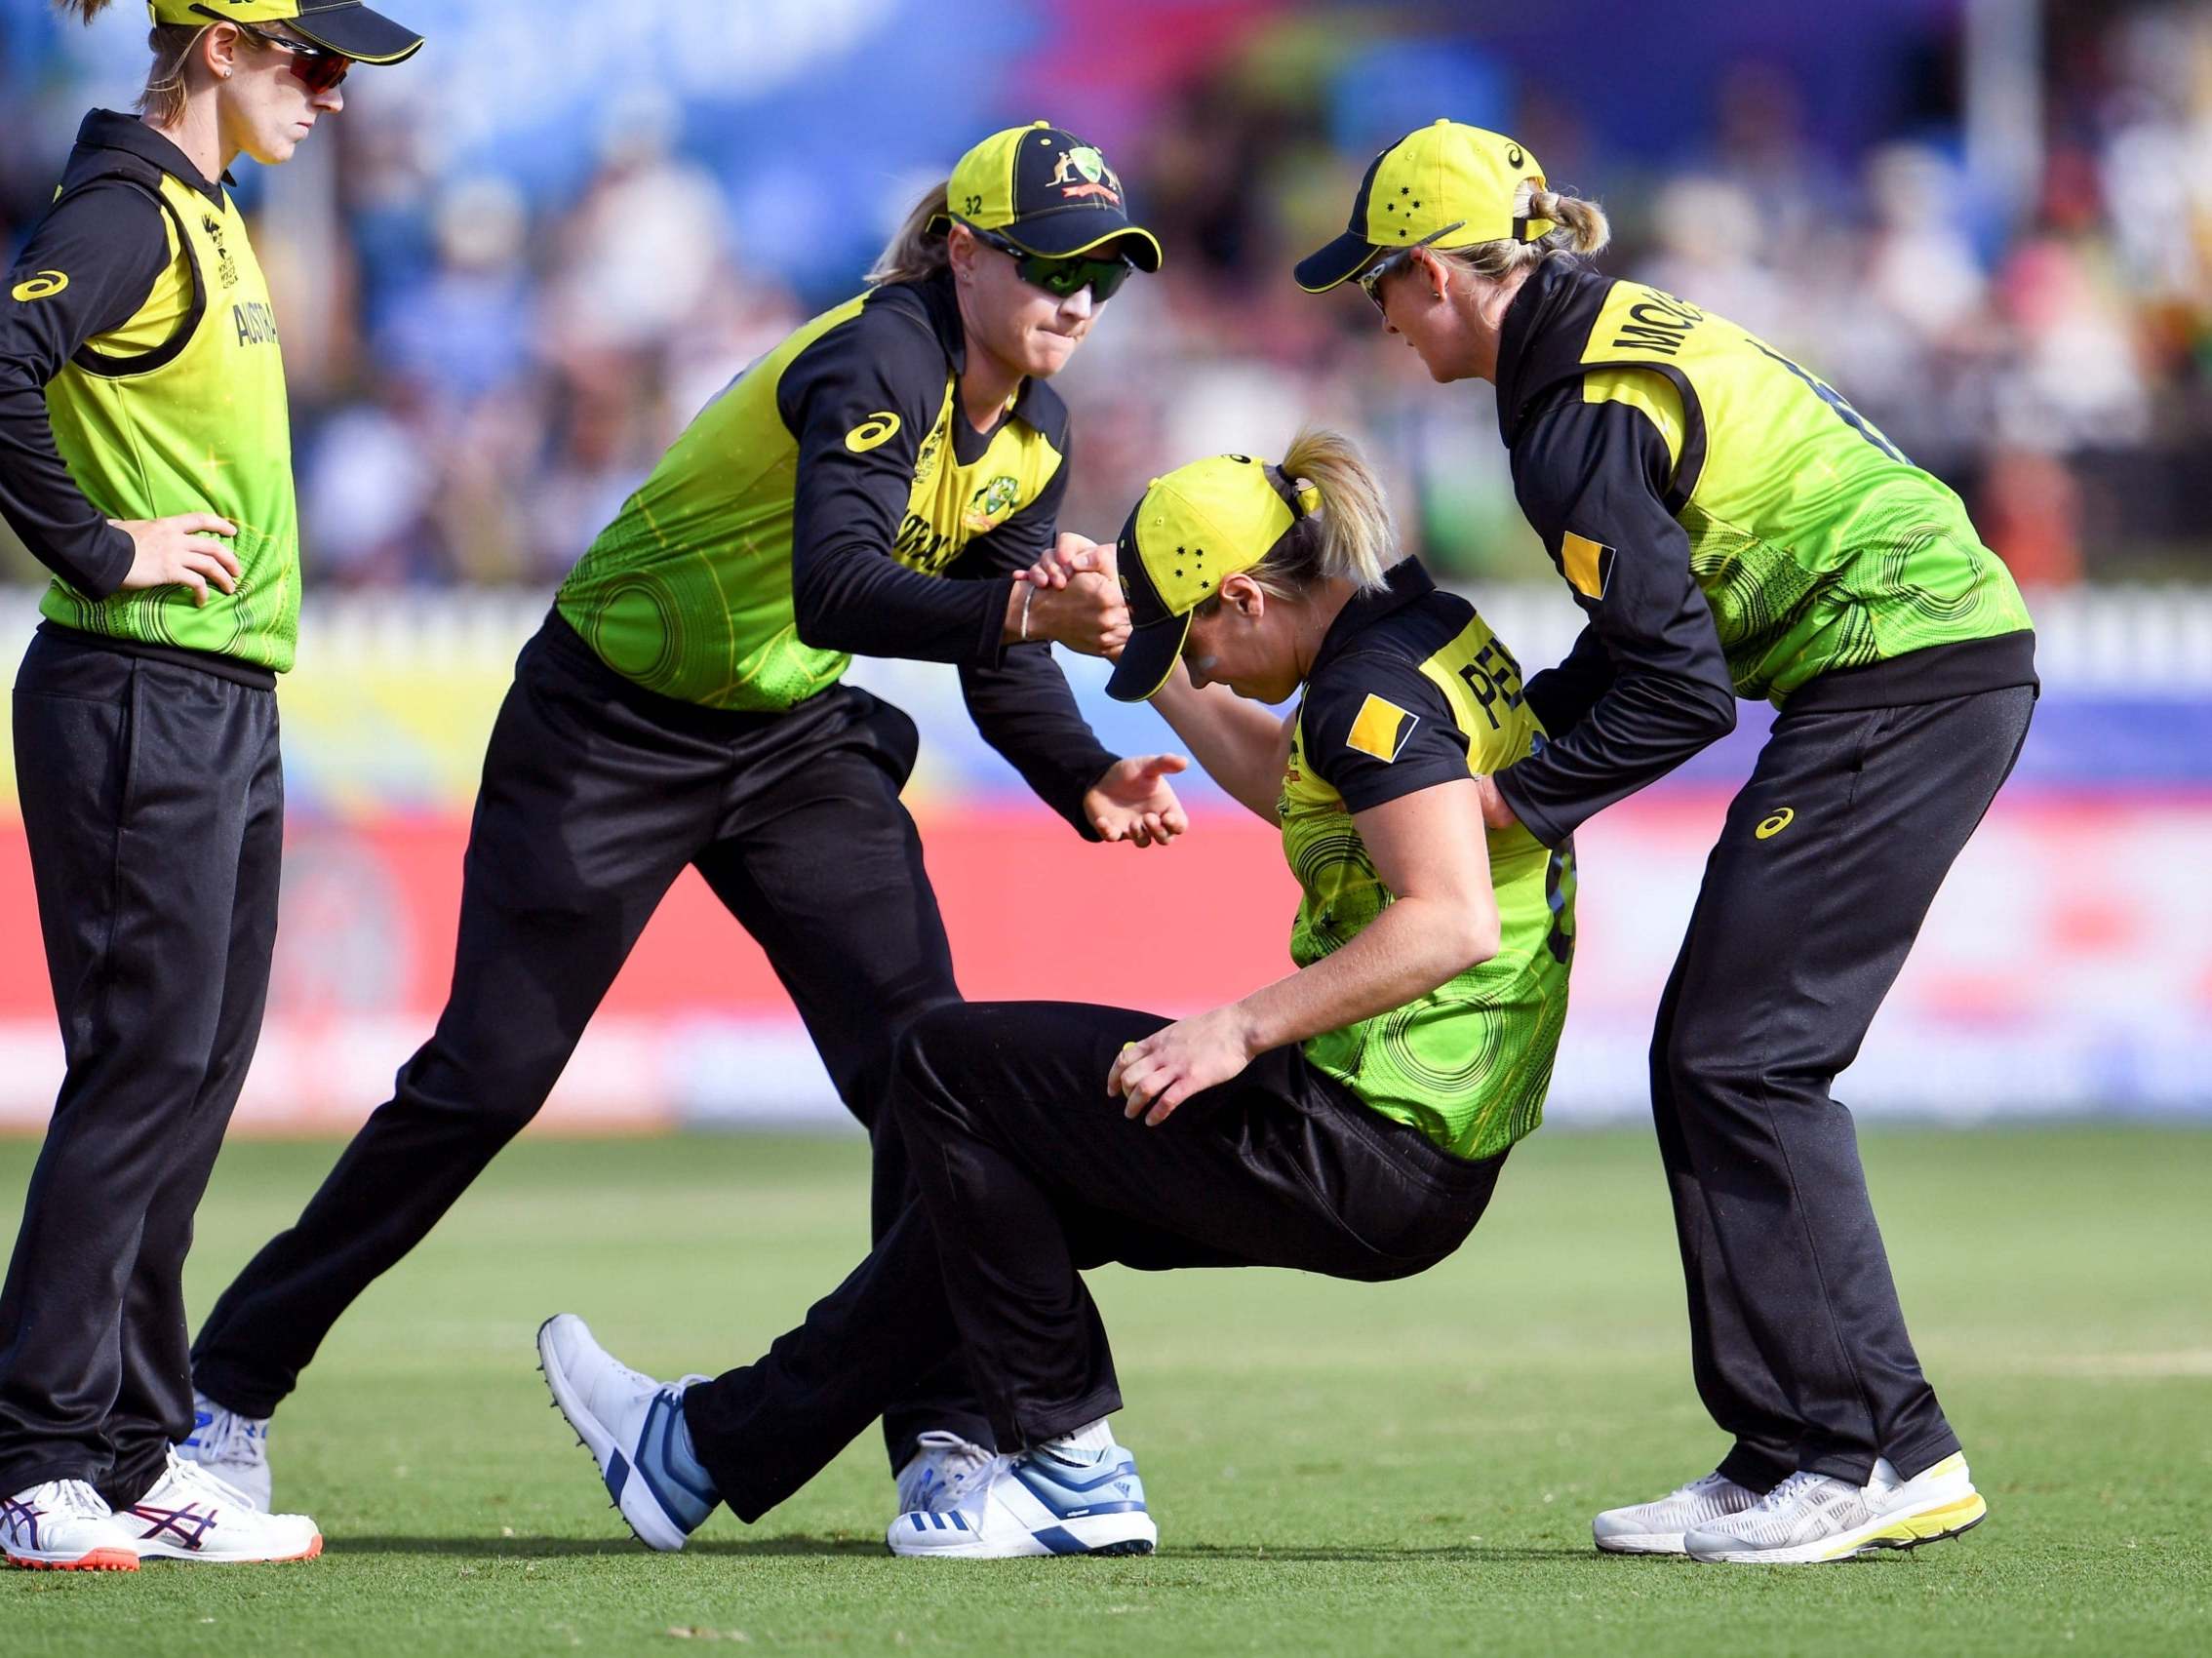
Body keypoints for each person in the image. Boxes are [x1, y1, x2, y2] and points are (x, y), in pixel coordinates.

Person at [179, 123, 1186, 1532]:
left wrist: (1084, 770)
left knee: (930, 1075)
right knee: (483, 1084)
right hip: (607, 726)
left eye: (1107, 276)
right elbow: (841, 586)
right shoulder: (878, 356)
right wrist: (1022, 608)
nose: (1080, 299)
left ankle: (952, 1452)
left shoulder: (1033, 430)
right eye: (1053, 265)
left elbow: (992, 650)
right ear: (963, 252)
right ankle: (221, 1392)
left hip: (786, 743)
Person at [533, 427, 1577, 1559]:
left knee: (944, 1059)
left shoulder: (1365, 694)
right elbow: (1299, 783)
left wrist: (1235, 1026)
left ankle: (1073, 1469)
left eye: (1200, 638)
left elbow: (1451, 918)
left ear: (1242, 593)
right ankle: (698, 1451)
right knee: (1001, 1194)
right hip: (1411, 1141)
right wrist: (1157, 659)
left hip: (1364, 1135)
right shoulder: (1417, 629)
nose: (1208, 666)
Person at [1296, 119, 2036, 1565]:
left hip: (1906, 672)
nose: (1374, 311)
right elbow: (1647, 643)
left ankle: (1867, 1454)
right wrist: (1513, 743)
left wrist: (1506, 804)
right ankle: (1792, 1445)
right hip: (1908, 664)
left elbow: (1682, 693)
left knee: (1741, 1057)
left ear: (1440, 272)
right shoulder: (1576, 351)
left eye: (1378, 281)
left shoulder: (1565, 408)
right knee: (1714, 1055)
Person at [0, 0, 422, 1572]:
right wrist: (104, 548)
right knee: (140, 1070)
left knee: (188, 1073)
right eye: (309, 61)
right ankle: (37, 1456)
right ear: (221, 49)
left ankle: (126, 1453)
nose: (329, 92)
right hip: (133, 691)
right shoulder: (123, 213)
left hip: (219, 699)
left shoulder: (208, 213)